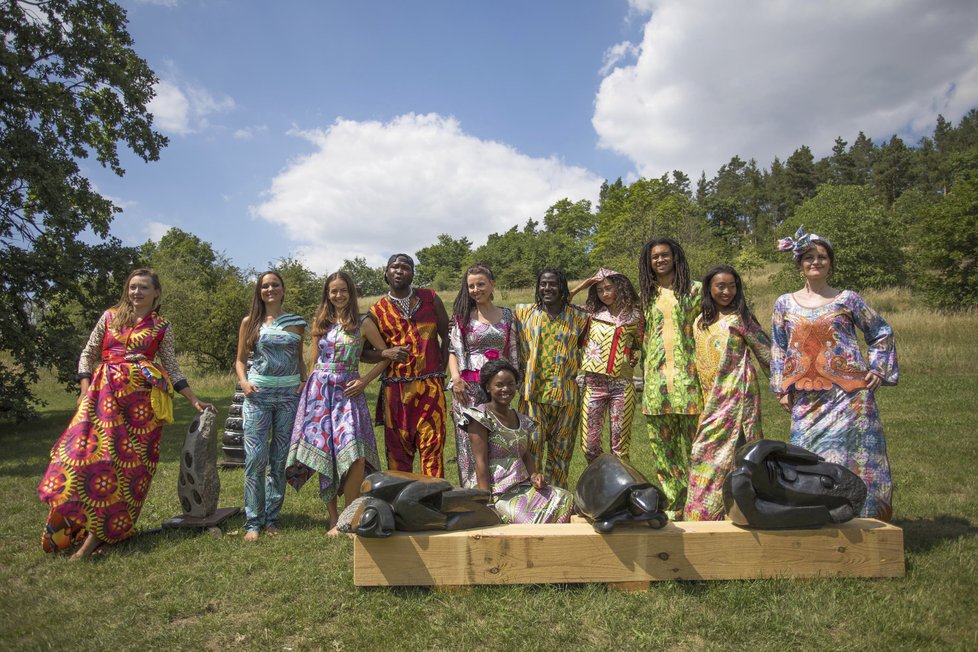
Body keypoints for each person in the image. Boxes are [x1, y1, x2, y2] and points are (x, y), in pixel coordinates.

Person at [38, 268, 214, 560]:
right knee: (84, 461)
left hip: (141, 411)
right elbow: (88, 353)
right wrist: (84, 388)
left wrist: (193, 399)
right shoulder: (109, 317)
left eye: (143, 287)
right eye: (132, 287)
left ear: (156, 292)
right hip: (101, 400)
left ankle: (96, 540)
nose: (136, 292)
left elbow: (171, 366)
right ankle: (71, 527)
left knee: (129, 472)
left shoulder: (161, 326)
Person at [771, 227, 897, 521]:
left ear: (831, 263)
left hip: (850, 398)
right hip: (806, 398)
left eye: (822, 257)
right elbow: (779, 347)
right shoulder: (784, 303)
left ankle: (865, 521)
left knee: (856, 459)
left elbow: (881, 332)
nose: (816, 262)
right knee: (805, 457)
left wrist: (878, 368)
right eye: (809, 257)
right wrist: (781, 388)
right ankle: (815, 520)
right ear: (799, 264)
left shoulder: (848, 299)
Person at [285, 272, 388, 535]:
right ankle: (333, 519)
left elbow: (385, 356)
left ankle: (349, 515)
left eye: (343, 290)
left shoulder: (364, 322)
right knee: (326, 454)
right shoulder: (321, 321)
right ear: (327, 294)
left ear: (351, 293)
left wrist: (365, 381)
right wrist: (308, 386)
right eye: (333, 291)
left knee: (356, 455)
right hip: (319, 394)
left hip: (349, 391)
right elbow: (314, 359)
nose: (338, 295)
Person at [684, 265, 772, 521]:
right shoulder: (700, 321)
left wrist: (790, 387)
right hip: (710, 401)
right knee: (705, 453)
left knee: (741, 455)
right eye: (720, 286)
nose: (726, 291)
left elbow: (767, 355)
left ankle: (742, 509)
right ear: (709, 288)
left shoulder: (741, 319)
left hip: (738, 397)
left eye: (732, 286)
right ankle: (705, 513)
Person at [235, 271, 307, 541]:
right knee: (255, 459)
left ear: (283, 289)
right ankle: (253, 521)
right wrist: (243, 382)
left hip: (289, 395)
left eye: (275, 285)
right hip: (257, 394)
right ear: (259, 291)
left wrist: (304, 380)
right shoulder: (250, 322)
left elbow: (299, 359)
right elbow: (240, 360)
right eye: (265, 286)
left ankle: (272, 518)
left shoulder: (297, 323)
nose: (270, 289)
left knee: (279, 460)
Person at [457, 359, 574, 524]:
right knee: (532, 520)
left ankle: (554, 548)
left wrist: (534, 475)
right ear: (488, 388)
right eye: (499, 385)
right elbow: (480, 462)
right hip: (495, 492)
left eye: (510, 384)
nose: (506, 389)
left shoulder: (521, 419)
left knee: (565, 499)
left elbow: (526, 455)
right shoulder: (479, 417)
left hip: (522, 487)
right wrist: (487, 504)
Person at [368, 254, 450, 478]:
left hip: (430, 386)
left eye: (405, 267)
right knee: (398, 453)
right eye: (394, 267)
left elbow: (446, 335)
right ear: (386, 273)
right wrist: (385, 352)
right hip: (395, 392)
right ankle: (401, 507)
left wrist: (441, 370)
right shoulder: (377, 311)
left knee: (432, 446)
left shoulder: (431, 298)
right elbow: (363, 352)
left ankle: (432, 502)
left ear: (413, 273)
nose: (399, 271)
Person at [638, 237, 702, 518]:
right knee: (664, 450)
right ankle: (675, 502)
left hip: (690, 383)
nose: (660, 260)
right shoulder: (647, 295)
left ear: (675, 257)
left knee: (696, 448)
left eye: (665, 255)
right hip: (656, 386)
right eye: (655, 257)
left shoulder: (696, 291)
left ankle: (700, 503)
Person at [514, 268, 589, 489]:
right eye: (543, 284)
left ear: (562, 287)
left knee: (561, 454)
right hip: (532, 396)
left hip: (566, 398)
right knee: (531, 450)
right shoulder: (522, 314)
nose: (547, 288)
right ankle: (532, 502)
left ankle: (557, 502)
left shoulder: (580, 317)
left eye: (553, 284)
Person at [447, 264, 519, 487]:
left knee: (499, 440)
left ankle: (501, 490)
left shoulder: (508, 316)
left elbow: (513, 351)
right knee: (469, 445)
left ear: (492, 284)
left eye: (480, 284)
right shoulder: (462, 317)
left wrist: (514, 384)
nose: (476, 289)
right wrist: (456, 380)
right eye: (471, 286)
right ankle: (472, 495)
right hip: (468, 390)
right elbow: (453, 352)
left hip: (499, 390)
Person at [568, 268, 643, 465]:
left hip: (623, 386)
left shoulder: (636, 315)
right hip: (594, 384)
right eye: (600, 290)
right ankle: (602, 482)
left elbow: (637, 343)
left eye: (609, 288)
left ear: (620, 287)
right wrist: (583, 285)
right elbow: (563, 302)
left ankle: (623, 490)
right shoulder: (591, 313)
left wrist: (632, 355)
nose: (605, 294)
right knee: (589, 445)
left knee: (620, 448)